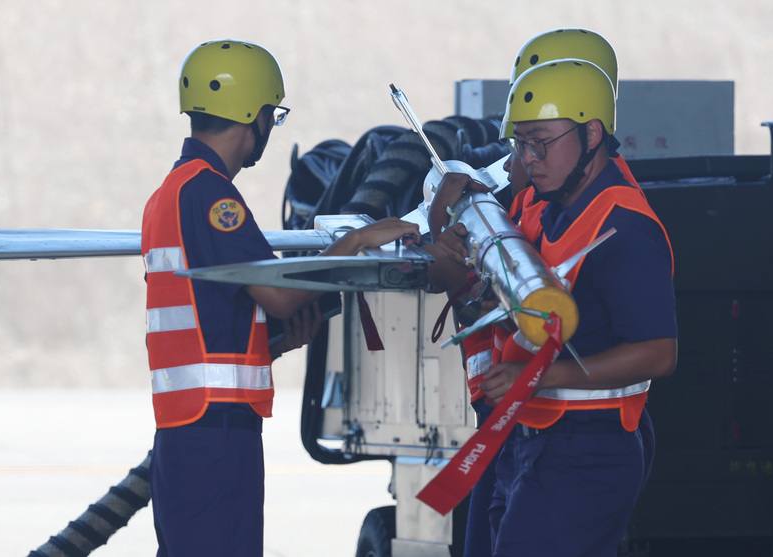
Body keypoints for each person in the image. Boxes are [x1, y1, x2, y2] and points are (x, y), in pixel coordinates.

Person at [142, 39, 418, 557]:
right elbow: (279, 296)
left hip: (192, 430)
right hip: (215, 431)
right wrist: (358, 241)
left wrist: (280, 343)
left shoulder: (171, 192)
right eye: (274, 115)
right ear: (256, 115)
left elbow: (211, 322)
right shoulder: (210, 195)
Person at [430, 58, 677, 556]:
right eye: (520, 144)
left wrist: (542, 376)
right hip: (531, 439)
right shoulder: (550, 210)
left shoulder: (626, 227)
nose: (528, 157)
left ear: (590, 135)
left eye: (541, 141)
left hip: (589, 451)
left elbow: (658, 354)